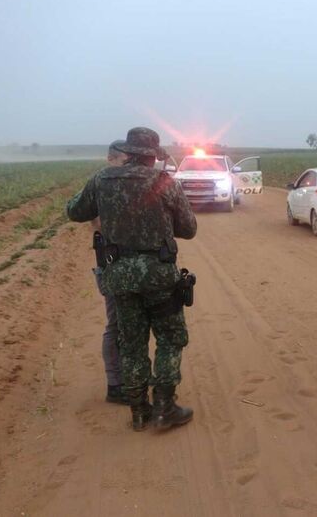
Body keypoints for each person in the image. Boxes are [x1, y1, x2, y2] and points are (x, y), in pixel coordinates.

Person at [66, 127, 197, 432]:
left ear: (127, 153)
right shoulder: (164, 182)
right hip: (159, 276)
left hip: (119, 276)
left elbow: (74, 211)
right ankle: (165, 408)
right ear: (152, 156)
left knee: (132, 343)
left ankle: (139, 411)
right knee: (170, 338)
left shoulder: (101, 179)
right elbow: (188, 228)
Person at [91, 141, 129, 405]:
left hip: (130, 263)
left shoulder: (123, 185)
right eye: (122, 161)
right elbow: (92, 220)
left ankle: (129, 376)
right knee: (115, 324)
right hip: (112, 262)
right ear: (110, 159)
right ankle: (115, 384)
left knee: (132, 323)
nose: (125, 167)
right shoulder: (100, 184)